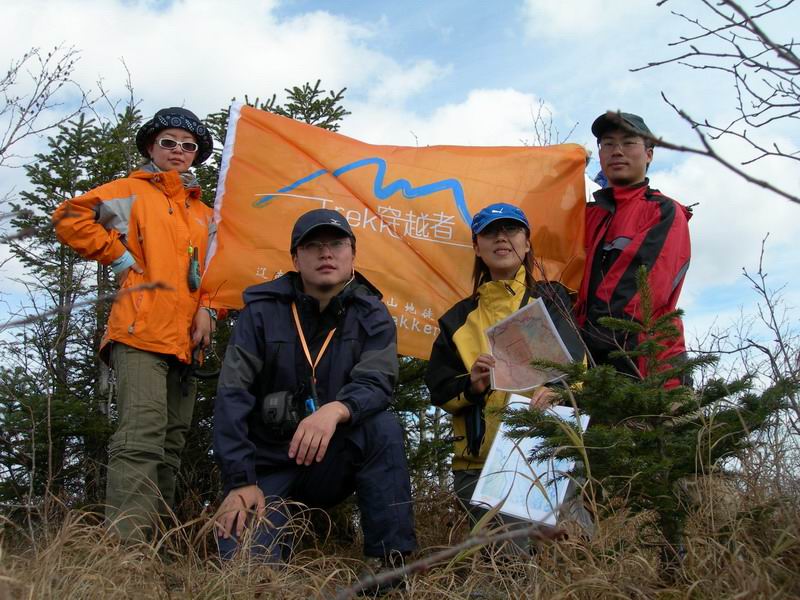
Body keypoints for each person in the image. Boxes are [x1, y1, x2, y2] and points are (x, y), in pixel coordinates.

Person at [213, 209, 417, 573]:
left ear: (352, 254)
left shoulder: (371, 313)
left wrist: (336, 410)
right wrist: (240, 481)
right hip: (269, 465)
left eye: (337, 244)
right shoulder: (261, 312)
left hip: (332, 460)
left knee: (381, 427)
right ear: (295, 259)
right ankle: (278, 531)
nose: (326, 253)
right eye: (313, 246)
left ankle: (390, 562)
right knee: (246, 571)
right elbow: (232, 395)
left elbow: (377, 381)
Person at [52, 107, 216, 543]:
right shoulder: (130, 192)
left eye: (188, 145)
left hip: (188, 343)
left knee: (171, 446)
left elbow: (216, 272)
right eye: (169, 142)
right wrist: (119, 256)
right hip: (140, 332)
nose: (178, 150)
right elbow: (69, 217)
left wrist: (209, 309)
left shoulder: (205, 214)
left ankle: (156, 550)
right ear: (151, 147)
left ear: (196, 155)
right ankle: (127, 552)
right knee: (141, 438)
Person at [425, 203, 585, 535]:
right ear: (476, 247)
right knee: (507, 561)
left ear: (527, 243)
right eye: (490, 232)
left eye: (511, 229)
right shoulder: (456, 319)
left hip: (552, 454)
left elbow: (578, 367)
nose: (501, 238)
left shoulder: (553, 299)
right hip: (480, 467)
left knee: (577, 549)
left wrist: (556, 390)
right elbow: (439, 390)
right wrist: (472, 386)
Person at [575, 112, 692, 382]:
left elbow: (637, 292)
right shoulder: (588, 215)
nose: (617, 151)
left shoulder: (663, 211)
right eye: (608, 144)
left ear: (649, 154)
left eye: (628, 143)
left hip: (649, 366)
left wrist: (578, 347)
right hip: (594, 366)